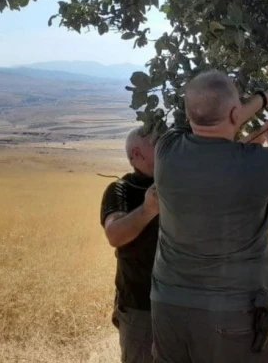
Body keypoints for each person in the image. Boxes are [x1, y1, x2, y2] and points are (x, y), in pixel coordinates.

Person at [150, 70, 268, 363]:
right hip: (231, 312)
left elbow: (217, 133)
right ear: (235, 112)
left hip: (167, 306)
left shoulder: (167, 149)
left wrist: (263, 100)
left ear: (189, 114)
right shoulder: (259, 163)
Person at [100, 127, 160, 363]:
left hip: (183, 302)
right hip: (141, 306)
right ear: (137, 153)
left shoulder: (178, 183)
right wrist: (148, 210)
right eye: (158, 143)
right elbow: (114, 234)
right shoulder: (120, 189)